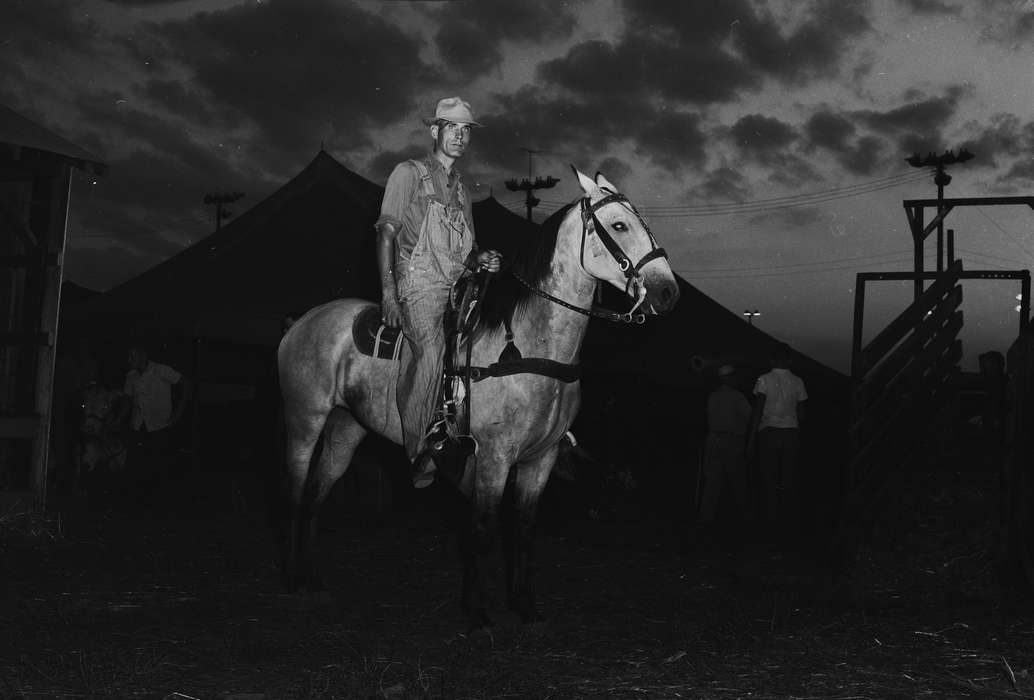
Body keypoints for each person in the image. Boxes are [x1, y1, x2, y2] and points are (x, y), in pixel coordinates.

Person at [374, 96, 501, 487]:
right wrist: (389, 294)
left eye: (466, 131)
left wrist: (484, 260)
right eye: (452, 129)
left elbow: (468, 253)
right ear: (435, 131)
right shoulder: (408, 174)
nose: (460, 137)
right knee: (429, 349)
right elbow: (386, 233)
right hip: (419, 285)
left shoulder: (462, 191)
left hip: (455, 285)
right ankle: (418, 450)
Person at [748, 345, 807, 531]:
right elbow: (802, 413)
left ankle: (770, 519)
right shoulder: (798, 381)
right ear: (789, 360)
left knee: (768, 476)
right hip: (791, 431)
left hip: (769, 431)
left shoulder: (763, 379)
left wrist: (751, 438)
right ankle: (788, 519)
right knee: (788, 476)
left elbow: (758, 410)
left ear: (771, 359)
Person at [121, 343, 192, 497]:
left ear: (142, 356)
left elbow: (185, 384)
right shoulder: (131, 376)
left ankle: (159, 502)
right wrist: (118, 419)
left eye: (132, 356)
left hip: (160, 426)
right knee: (136, 466)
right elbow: (127, 401)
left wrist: (178, 413)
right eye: (129, 356)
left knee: (159, 467)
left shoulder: (161, 370)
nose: (129, 360)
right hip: (138, 427)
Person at [696, 364, 753, 531]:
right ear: (730, 378)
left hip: (713, 440)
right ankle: (747, 518)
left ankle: (704, 519)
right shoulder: (737, 396)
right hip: (731, 441)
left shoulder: (712, 396)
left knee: (712, 482)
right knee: (738, 482)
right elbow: (750, 417)